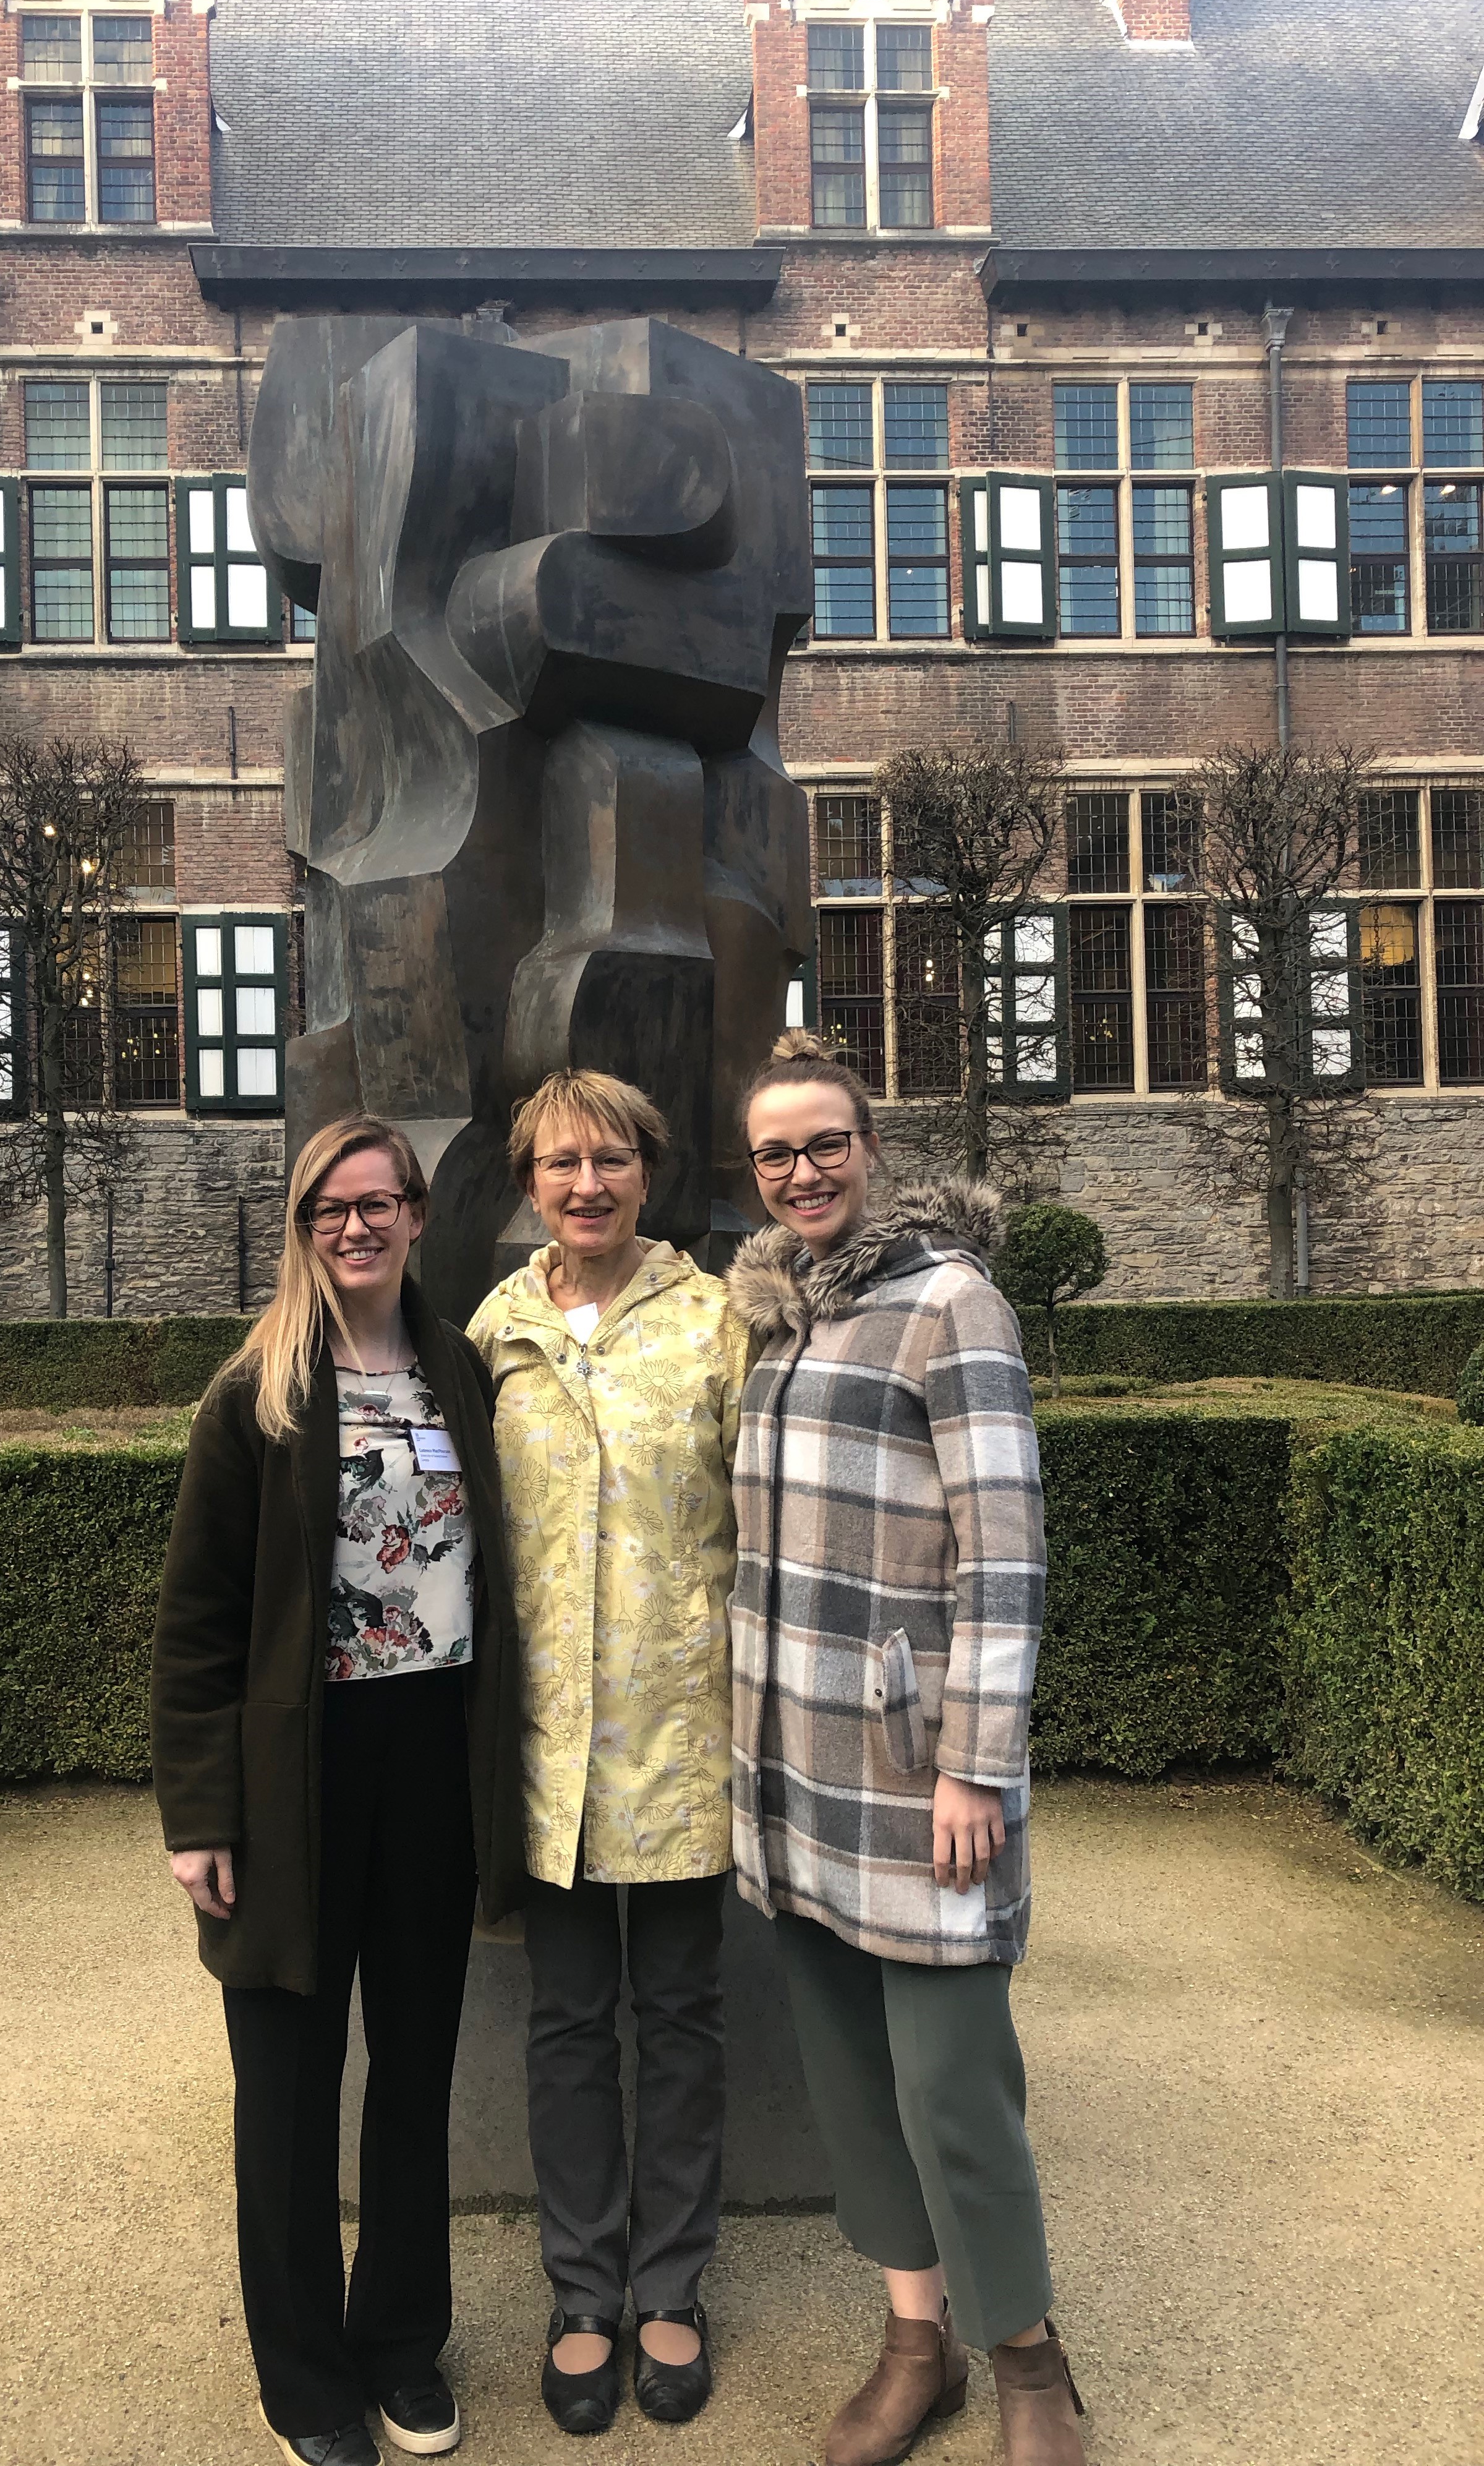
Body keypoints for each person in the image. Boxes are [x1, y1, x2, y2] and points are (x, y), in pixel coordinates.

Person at [725, 1034, 1087, 2466]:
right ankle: (914, 2339)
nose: (802, 1172)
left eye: (824, 1144)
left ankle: (1030, 2364)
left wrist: (972, 1769)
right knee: (851, 2083)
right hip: (789, 1775)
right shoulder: (778, 1322)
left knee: (955, 2084)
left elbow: (1006, 1560)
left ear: (872, 1149)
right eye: (774, 1153)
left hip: (914, 1776)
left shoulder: (954, 1305)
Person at [151, 1115, 525, 2466]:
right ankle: (305, 2375)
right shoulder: (254, 1394)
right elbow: (197, 1627)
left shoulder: (460, 1372)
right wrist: (200, 1818)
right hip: (293, 1777)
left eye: (380, 1202)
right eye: (331, 1207)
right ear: (304, 1226)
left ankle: (400, 2346)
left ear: (418, 1216)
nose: (357, 1226)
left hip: (432, 1760)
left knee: (415, 2072)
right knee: (291, 2091)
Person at [467, 1070, 748, 2437]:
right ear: (529, 1183)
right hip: (551, 1755)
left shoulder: (717, 1324)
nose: (587, 1184)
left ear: (652, 1169)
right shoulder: (494, 1333)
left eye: (612, 1159)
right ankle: (583, 2289)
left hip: (684, 1733)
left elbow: (767, 1521)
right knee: (570, 2024)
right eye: (559, 1163)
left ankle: (671, 2282)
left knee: (684, 2019)